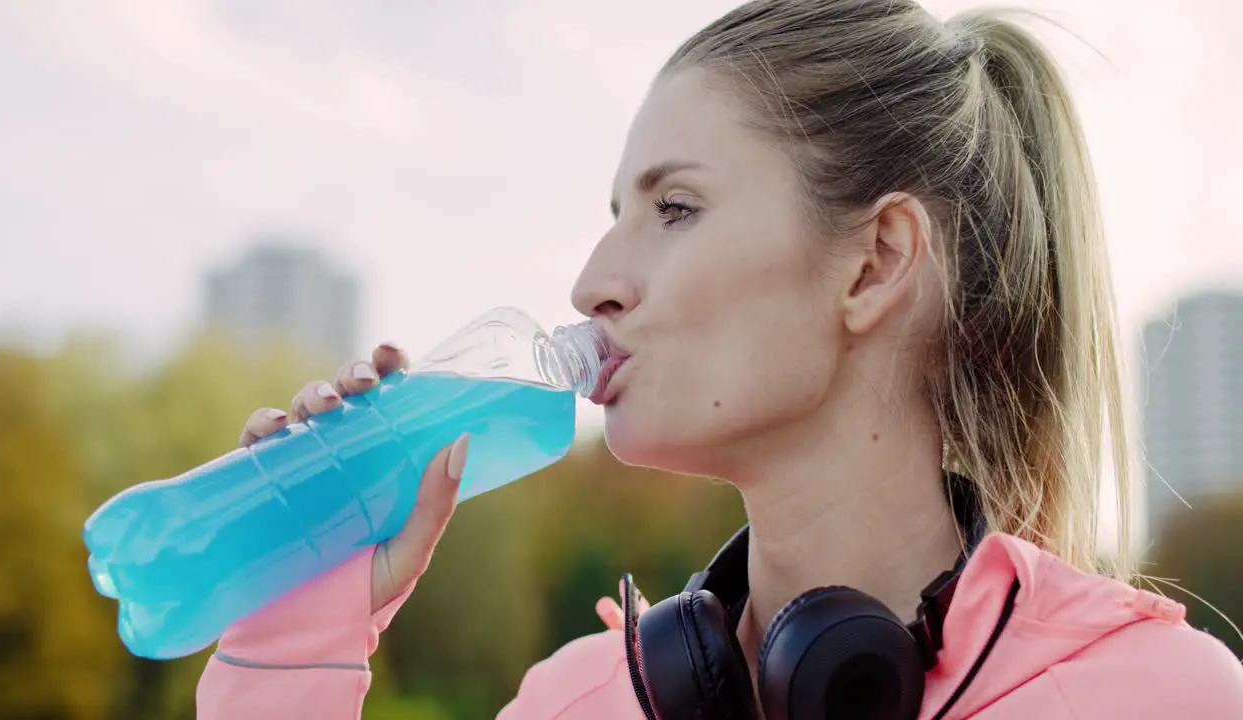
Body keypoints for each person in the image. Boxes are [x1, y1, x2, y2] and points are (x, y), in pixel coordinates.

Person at [195, 1, 1243, 717]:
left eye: (675, 208)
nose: (591, 281)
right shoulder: (575, 702)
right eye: (616, 214)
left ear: (873, 263)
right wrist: (291, 638)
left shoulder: (1159, 696)